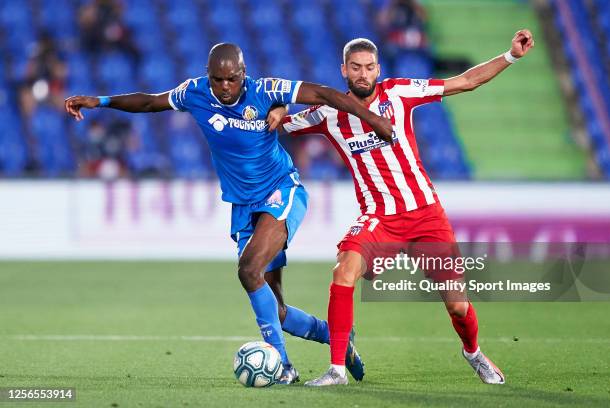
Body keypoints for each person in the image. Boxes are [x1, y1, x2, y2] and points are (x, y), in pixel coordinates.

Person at [65, 43, 393, 384]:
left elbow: (325, 94)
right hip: (243, 205)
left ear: (243, 73)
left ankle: (282, 365)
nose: (224, 86)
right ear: (209, 76)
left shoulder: (266, 89)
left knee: (248, 270)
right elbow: (149, 101)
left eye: (232, 79)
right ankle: (335, 336)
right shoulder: (194, 92)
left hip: (282, 190)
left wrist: (374, 120)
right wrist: (99, 102)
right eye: (218, 79)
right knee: (276, 310)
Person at [270, 30, 535, 386]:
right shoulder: (329, 114)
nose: (363, 74)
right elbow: (276, 125)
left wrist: (511, 55)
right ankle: (336, 370)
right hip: (379, 219)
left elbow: (466, 82)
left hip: (426, 216)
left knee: (457, 306)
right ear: (344, 71)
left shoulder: (399, 92)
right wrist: (279, 105)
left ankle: (472, 352)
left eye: (368, 67)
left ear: (378, 69)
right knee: (343, 271)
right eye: (355, 68)